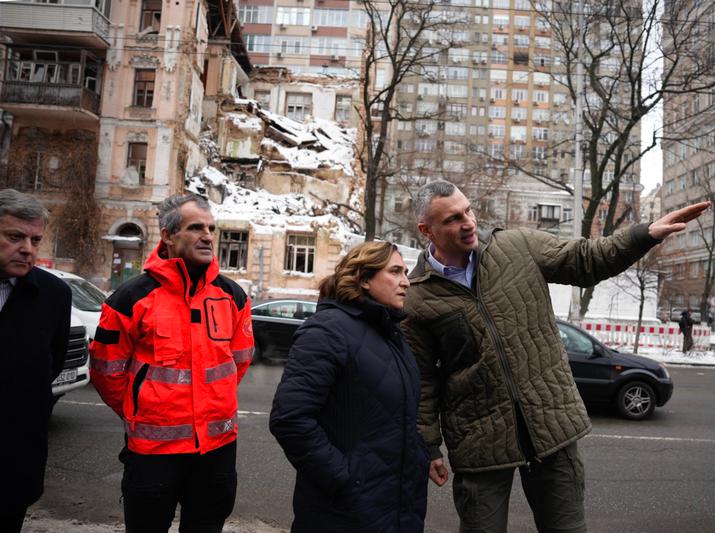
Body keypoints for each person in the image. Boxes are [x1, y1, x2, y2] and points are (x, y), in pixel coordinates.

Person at [401, 180, 710, 533]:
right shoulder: (418, 298)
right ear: (427, 230)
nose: (469, 222)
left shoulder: (516, 246)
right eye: (453, 218)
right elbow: (423, 381)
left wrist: (646, 234)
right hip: (479, 443)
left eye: (468, 210)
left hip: (550, 427)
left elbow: (587, 259)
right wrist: (428, 447)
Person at [90, 194, 254, 533]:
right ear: (167, 236)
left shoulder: (233, 297)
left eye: (211, 228)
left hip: (216, 449)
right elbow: (106, 371)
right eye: (196, 228)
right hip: (153, 452)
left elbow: (238, 364)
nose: (208, 236)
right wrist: (141, 408)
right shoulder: (130, 298)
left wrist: (208, 404)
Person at [270, 241, 429, 533]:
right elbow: (290, 419)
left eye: (406, 272)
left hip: (397, 506)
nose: (406, 282)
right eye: (395, 272)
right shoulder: (326, 331)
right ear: (364, 279)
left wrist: (420, 454)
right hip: (343, 512)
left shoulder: (392, 335)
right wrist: (344, 478)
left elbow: (399, 414)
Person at [0, 189, 71, 532]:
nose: (27, 248)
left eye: (35, 239)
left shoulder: (54, 295)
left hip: (14, 460)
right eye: (14, 237)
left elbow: (51, 364)